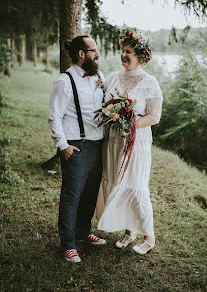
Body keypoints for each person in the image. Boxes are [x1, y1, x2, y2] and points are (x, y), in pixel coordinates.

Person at [97, 30, 163, 255]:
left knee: (136, 186)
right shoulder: (113, 77)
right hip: (113, 142)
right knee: (117, 183)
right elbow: (104, 106)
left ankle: (149, 237)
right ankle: (129, 232)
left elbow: (154, 116)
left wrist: (130, 122)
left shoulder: (149, 82)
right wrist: (111, 113)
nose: (124, 55)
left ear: (141, 57)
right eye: (122, 51)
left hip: (136, 144)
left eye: (129, 52)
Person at [48, 35, 106, 263]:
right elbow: (54, 117)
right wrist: (63, 146)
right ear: (82, 53)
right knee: (71, 196)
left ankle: (83, 232)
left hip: (97, 145)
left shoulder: (99, 77)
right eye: (93, 50)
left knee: (90, 193)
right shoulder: (64, 81)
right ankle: (68, 244)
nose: (97, 54)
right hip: (76, 147)